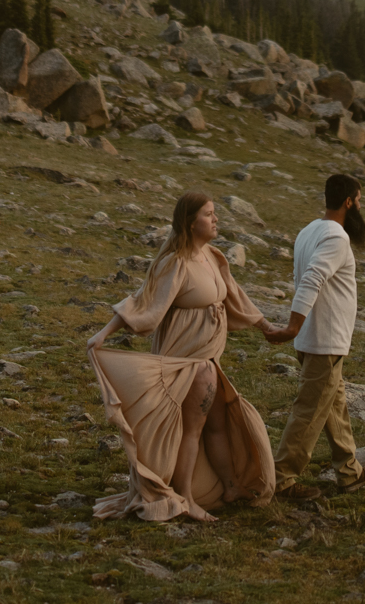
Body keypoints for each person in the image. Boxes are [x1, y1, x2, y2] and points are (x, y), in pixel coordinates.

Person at [86, 190, 278, 520]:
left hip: (210, 360)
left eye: (215, 212)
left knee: (217, 424)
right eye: (208, 214)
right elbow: (144, 304)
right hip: (187, 363)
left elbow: (235, 297)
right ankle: (187, 499)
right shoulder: (175, 264)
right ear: (190, 223)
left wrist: (267, 327)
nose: (216, 219)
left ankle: (230, 485)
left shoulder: (213, 257)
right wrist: (104, 333)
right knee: (191, 429)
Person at [263, 172, 365, 499]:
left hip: (319, 341)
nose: (360, 206)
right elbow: (312, 279)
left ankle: (349, 471)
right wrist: (293, 326)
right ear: (348, 202)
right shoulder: (336, 238)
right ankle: (282, 479)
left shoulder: (308, 231)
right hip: (322, 341)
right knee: (310, 412)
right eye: (359, 200)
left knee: (334, 406)